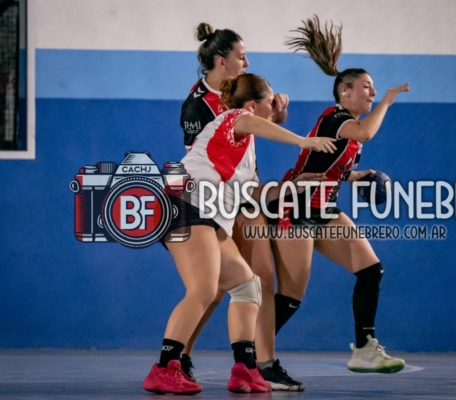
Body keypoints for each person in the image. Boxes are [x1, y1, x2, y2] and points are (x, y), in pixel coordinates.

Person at [142, 73, 336, 395]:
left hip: (206, 215)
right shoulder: (232, 118)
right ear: (252, 105)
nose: (275, 108)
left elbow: (253, 194)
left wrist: (292, 187)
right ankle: (164, 368)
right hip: (186, 205)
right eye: (270, 102)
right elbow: (249, 121)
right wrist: (304, 141)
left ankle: (245, 369)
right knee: (203, 290)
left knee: (247, 286)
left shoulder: (244, 149)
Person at [267, 15, 409, 373]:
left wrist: (355, 175)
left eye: (374, 90)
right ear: (345, 91)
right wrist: (387, 102)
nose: (373, 93)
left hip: (323, 208)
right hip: (296, 207)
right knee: (291, 296)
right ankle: (252, 358)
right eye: (367, 87)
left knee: (370, 270)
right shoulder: (337, 119)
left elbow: (329, 165)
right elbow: (364, 133)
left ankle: (364, 349)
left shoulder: (344, 129)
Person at [179, 23, 305, 391]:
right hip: (217, 199)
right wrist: (303, 141)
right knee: (220, 286)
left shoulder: (242, 93)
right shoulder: (198, 104)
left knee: (254, 280)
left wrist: (276, 114)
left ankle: (259, 364)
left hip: (245, 195)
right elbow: (207, 156)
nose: (247, 62)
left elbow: (256, 126)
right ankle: (181, 356)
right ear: (222, 61)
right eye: (242, 56)